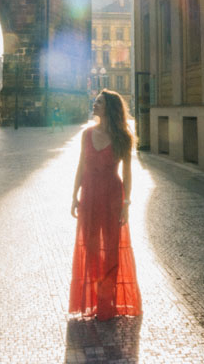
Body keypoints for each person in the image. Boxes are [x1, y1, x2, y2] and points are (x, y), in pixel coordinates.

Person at [69, 90, 142, 321]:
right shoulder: (86, 134)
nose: (94, 104)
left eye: (99, 102)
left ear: (108, 107)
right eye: (95, 101)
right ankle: (95, 297)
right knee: (90, 248)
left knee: (111, 249)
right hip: (89, 195)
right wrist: (74, 195)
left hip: (112, 195)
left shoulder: (123, 137)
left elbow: (128, 173)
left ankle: (107, 302)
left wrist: (126, 202)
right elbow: (80, 166)